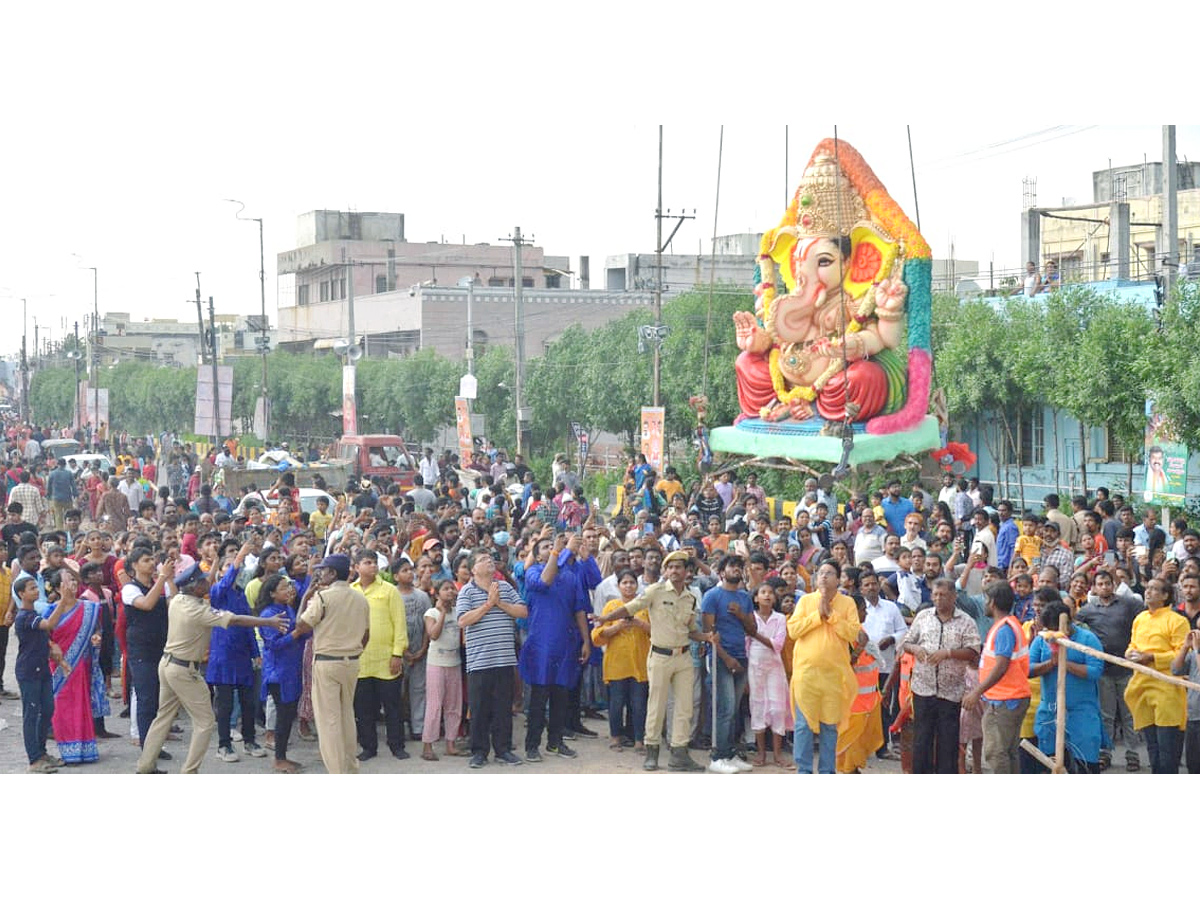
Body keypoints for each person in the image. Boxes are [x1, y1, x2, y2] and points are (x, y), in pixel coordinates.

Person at [136, 564, 287, 774]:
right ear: (194, 587)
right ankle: (189, 771)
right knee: (205, 721)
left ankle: (145, 765)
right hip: (184, 670)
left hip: (168, 664)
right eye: (203, 580)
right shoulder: (198, 610)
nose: (208, 582)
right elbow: (235, 619)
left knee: (163, 716)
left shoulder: (179, 600)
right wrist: (267, 621)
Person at [598, 549, 716, 772]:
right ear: (665, 570)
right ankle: (652, 751)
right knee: (656, 705)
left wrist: (707, 637)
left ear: (686, 571)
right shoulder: (655, 591)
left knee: (684, 707)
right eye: (670, 567)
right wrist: (605, 618)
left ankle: (679, 753)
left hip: (683, 656)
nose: (674, 571)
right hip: (660, 655)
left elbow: (690, 630)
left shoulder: (690, 598)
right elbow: (630, 608)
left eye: (678, 567)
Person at [289, 554, 371, 775]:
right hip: (351, 662)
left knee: (329, 722)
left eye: (324, 570)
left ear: (333, 573)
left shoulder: (323, 598)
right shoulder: (360, 598)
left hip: (327, 662)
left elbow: (301, 625)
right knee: (346, 717)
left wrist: (306, 596)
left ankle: (337, 772)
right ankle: (350, 767)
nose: (320, 573)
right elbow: (366, 635)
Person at [520, 532, 594, 762]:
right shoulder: (532, 573)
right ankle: (532, 745)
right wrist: (559, 552)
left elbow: (579, 609)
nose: (551, 548)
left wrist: (586, 641)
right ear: (538, 555)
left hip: (565, 645)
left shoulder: (571, 576)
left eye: (552, 546)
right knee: (538, 698)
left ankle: (555, 742)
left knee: (561, 696)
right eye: (545, 547)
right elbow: (545, 581)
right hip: (541, 645)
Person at [900, 578, 981, 774]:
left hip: (951, 693)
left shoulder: (966, 621)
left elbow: (973, 652)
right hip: (923, 689)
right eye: (935, 595)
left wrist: (948, 653)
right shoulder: (923, 617)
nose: (938, 599)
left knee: (948, 744)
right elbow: (906, 642)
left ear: (954, 597)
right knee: (922, 741)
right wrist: (916, 649)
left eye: (943, 595)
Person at [456, 549, 528, 769]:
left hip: (504, 659)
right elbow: (463, 621)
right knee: (479, 710)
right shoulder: (467, 592)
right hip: (479, 661)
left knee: (503, 708)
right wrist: (488, 604)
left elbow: (523, 611)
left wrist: (499, 603)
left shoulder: (504, 587)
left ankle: (503, 750)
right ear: (473, 569)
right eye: (482, 560)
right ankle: (479, 751)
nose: (489, 561)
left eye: (489, 558)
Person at [788, 559, 861, 774]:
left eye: (829, 573)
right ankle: (803, 771)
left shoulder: (847, 604)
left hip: (834, 675)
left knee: (830, 726)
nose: (823, 576)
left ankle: (827, 772)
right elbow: (793, 631)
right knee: (803, 725)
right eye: (820, 573)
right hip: (807, 673)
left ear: (838, 580)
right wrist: (817, 616)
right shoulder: (805, 601)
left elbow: (853, 633)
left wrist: (831, 616)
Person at [1075, 569, 1145, 771]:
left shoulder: (1128, 604)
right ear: (1094, 588)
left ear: (1113, 584)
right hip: (1103, 670)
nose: (1105, 587)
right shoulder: (1088, 609)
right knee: (1106, 714)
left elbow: (1144, 620)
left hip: (1126, 668)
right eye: (1100, 584)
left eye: (1108, 583)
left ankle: (1133, 754)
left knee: (1129, 713)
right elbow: (1075, 624)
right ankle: (1105, 753)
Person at [961, 581, 1030, 774]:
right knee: (1008, 751)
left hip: (1004, 701)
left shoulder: (1004, 630)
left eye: (986, 600)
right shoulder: (1008, 625)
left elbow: (1001, 666)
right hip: (1011, 697)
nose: (984, 604)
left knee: (995, 752)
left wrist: (976, 692)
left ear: (992, 602)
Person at [1028, 600, 1105, 773]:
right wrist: (1050, 664)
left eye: (1054, 628)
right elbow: (1028, 669)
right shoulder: (1042, 640)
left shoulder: (1087, 638)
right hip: (1050, 709)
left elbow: (1096, 670)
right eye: (1048, 629)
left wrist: (1066, 663)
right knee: (1050, 763)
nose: (1051, 633)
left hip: (1082, 711)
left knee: (1085, 764)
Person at [208, 541, 266, 763]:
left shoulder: (240, 594)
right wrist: (240, 556)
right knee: (225, 704)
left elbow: (248, 624)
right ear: (221, 571)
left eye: (236, 564)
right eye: (228, 565)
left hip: (243, 654)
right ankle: (224, 745)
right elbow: (227, 581)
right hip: (223, 655)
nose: (235, 568)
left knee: (248, 701)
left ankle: (250, 740)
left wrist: (255, 652)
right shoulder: (217, 592)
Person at [1124, 578, 1188, 774]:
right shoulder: (1140, 619)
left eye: (1154, 589)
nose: (1148, 592)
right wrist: (1130, 654)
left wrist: (1151, 657)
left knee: (1168, 754)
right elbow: (1132, 645)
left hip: (1167, 691)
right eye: (1147, 588)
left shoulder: (1177, 621)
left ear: (1165, 595)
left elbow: (1182, 656)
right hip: (1142, 688)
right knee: (1153, 751)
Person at [350, 549, 409, 762]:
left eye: (374, 562)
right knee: (363, 708)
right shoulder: (351, 591)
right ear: (356, 567)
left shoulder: (389, 590)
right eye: (367, 562)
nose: (373, 566)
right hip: (361, 660)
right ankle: (368, 747)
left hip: (386, 659)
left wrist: (397, 654)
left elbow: (400, 624)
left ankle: (397, 745)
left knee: (393, 706)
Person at [701, 554, 758, 774]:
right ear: (722, 572)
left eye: (739, 566)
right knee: (724, 707)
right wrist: (726, 658)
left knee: (734, 708)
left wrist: (741, 615)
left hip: (741, 655)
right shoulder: (712, 596)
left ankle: (729, 753)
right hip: (720, 657)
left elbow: (752, 630)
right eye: (732, 566)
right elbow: (708, 632)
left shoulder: (744, 597)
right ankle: (717, 756)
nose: (736, 569)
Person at [45, 568, 108, 765]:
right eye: (66, 581)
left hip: (82, 662)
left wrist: (96, 637)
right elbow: (45, 636)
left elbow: (97, 628)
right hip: (60, 666)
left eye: (73, 579)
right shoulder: (50, 610)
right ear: (57, 587)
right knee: (62, 706)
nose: (72, 583)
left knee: (82, 704)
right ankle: (68, 750)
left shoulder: (89, 608)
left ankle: (86, 747)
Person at [12, 576, 73, 772]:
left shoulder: (34, 613)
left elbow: (45, 639)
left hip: (42, 670)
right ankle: (34, 759)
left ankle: (42, 752)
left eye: (35, 587)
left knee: (47, 709)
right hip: (28, 671)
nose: (36, 591)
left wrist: (59, 660)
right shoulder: (25, 617)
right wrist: (63, 601)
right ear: (21, 594)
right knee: (32, 715)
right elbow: (49, 625)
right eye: (31, 589)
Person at [591, 568, 651, 753]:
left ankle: (639, 741)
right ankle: (615, 737)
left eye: (632, 582)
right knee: (616, 703)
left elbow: (656, 631)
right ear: (618, 586)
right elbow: (598, 635)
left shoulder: (644, 607)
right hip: (617, 665)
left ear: (637, 586)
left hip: (640, 665)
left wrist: (638, 623)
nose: (628, 586)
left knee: (639, 704)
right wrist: (619, 625)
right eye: (624, 583)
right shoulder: (611, 607)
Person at [256, 572, 309, 773]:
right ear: (272, 593)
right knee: (284, 715)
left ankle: (282, 756)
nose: (289, 590)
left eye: (289, 586)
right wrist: (297, 633)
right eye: (283, 588)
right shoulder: (268, 615)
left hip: (291, 669)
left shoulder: (287, 608)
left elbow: (299, 630)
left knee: (288, 714)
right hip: (278, 672)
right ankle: (279, 758)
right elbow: (274, 645)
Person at [745, 582, 790, 767]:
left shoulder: (780, 618)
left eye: (770, 592)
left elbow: (777, 645)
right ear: (755, 598)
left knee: (778, 709)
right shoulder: (750, 617)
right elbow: (746, 646)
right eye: (763, 592)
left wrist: (754, 634)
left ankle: (777, 754)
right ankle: (761, 753)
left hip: (774, 667)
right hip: (755, 666)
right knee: (757, 707)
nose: (767, 595)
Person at [421, 578, 463, 761]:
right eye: (446, 589)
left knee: (454, 705)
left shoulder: (458, 612)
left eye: (452, 589)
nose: (450, 592)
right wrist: (443, 614)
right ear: (436, 594)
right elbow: (434, 635)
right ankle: (427, 745)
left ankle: (450, 743)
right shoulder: (431, 613)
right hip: (436, 663)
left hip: (454, 662)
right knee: (434, 705)